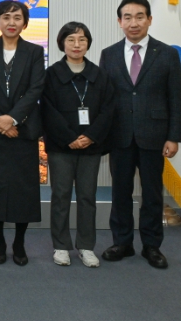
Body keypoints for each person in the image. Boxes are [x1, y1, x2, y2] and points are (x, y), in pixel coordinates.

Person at [99, 0, 181, 269]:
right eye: (127, 17)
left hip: (155, 136)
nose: (133, 22)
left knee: (152, 194)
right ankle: (122, 242)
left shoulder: (167, 54)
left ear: (149, 19)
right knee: (120, 193)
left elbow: (175, 98)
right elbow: (104, 99)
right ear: (119, 22)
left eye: (139, 16)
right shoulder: (109, 54)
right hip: (120, 136)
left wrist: (174, 136)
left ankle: (151, 246)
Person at [0, 0, 45, 266]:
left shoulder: (34, 51)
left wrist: (13, 119)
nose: (11, 22)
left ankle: (19, 242)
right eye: (6, 17)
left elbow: (36, 89)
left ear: (25, 23)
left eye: (17, 17)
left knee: (23, 189)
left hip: (22, 131)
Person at [42, 22, 115, 268]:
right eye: (71, 39)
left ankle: (86, 246)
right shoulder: (51, 74)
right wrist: (69, 137)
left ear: (88, 44)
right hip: (61, 147)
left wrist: (91, 136)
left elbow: (108, 109)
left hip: (91, 147)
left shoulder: (100, 75)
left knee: (87, 197)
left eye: (82, 40)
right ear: (62, 43)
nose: (76, 44)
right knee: (60, 195)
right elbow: (47, 110)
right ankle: (61, 246)